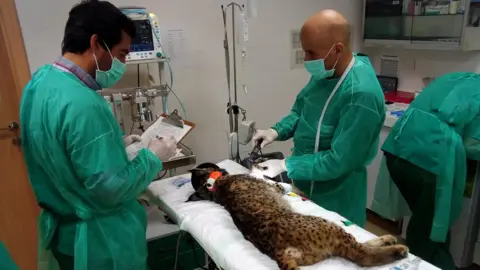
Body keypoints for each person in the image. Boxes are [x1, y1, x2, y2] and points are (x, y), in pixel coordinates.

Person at [20, 1, 177, 269]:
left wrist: (116, 145)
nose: (123, 63)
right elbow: (110, 190)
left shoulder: (40, 82)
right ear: (96, 43)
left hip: (65, 235)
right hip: (99, 244)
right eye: (122, 53)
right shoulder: (84, 103)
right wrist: (152, 157)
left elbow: (59, 150)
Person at [252, 9, 385, 226]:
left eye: (311, 53)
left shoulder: (361, 94)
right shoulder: (326, 73)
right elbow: (300, 112)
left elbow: (339, 160)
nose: (306, 59)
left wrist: (286, 165)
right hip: (305, 184)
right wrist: (276, 131)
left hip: (337, 196)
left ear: (338, 49)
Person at [375, 72, 480, 270]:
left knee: (425, 221)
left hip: (398, 151)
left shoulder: (457, 77)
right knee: (429, 232)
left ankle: (423, 254)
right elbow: (473, 146)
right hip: (430, 163)